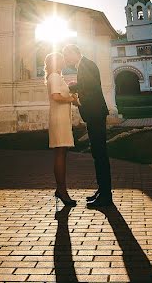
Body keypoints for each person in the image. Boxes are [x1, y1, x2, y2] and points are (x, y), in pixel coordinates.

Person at [63, 44, 112, 207]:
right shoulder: (84, 65)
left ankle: (106, 195)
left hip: (95, 113)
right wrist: (74, 86)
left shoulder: (86, 65)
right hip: (94, 114)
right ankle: (102, 190)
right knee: (97, 153)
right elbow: (86, 85)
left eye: (67, 55)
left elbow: (91, 89)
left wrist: (75, 96)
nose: (66, 59)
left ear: (75, 52)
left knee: (100, 154)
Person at [45, 51, 79, 207]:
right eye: (60, 60)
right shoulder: (54, 77)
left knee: (62, 153)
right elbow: (56, 97)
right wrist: (71, 99)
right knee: (60, 153)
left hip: (62, 119)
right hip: (59, 120)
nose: (64, 62)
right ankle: (62, 190)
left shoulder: (57, 77)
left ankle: (61, 189)